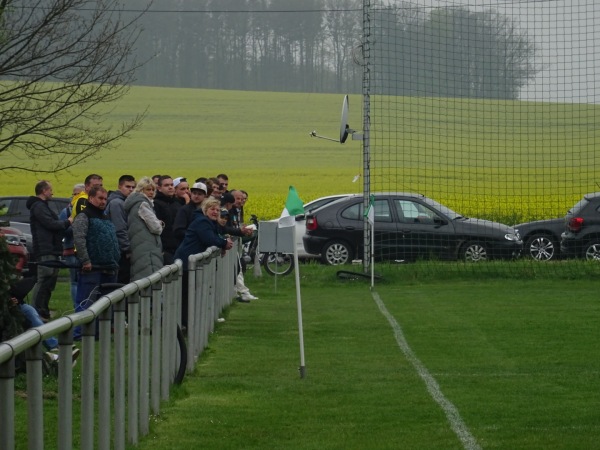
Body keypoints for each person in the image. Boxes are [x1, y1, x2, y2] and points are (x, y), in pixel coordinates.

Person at [174, 198, 233, 326]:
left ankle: (187, 322)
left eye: (217, 210)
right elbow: (209, 239)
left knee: (190, 294)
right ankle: (185, 323)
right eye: (212, 209)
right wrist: (224, 243)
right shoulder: (202, 222)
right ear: (205, 210)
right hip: (186, 262)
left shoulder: (208, 222)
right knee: (186, 295)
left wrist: (223, 243)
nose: (215, 212)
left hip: (190, 262)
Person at [72, 186, 120, 340]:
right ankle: (79, 333)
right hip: (92, 268)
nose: (103, 202)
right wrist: (85, 260)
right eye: (100, 198)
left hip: (109, 267)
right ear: (91, 198)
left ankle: (99, 332)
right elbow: (79, 239)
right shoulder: (83, 216)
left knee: (105, 304)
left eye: (105, 199)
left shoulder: (104, 216)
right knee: (86, 302)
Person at [26, 180, 73, 321]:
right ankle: (34, 312)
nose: (52, 192)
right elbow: (50, 224)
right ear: (44, 191)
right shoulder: (38, 207)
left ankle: (42, 310)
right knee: (44, 278)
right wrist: (68, 222)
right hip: (45, 249)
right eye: (50, 190)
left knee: (50, 282)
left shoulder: (43, 206)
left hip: (52, 249)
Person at [124, 177, 164, 281]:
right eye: (148, 189)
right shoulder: (143, 204)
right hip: (147, 249)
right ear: (141, 190)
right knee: (150, 278)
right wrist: (161, 223)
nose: (151, 192)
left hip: (140, 246)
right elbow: (156, 228)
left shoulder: (134, 203)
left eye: (152, 190)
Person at [59, 183, 86, 304]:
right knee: (75, 281)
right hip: (71, 250)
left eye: (78, 194)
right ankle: (77, 306)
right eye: (74, 194)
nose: (75, 196)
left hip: (79, 249)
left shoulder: (70, 209)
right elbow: (62, 229)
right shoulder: (67, 211)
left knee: (80, 280)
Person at [107, 175, 136, 284]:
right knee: (121, 281)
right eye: (127, 186)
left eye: (133, 187)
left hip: (121, 249)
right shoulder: (117, 203)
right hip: (121, 251)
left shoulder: (125, 201)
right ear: (119, 186)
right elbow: (120, 228)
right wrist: (127, 249)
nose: (131, 190)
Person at [153, 175, 179, 265]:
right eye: (166, 185)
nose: (170, 187)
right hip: (164, 249)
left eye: (172, 185)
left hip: (177, 247)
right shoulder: (156, 204)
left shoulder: (177, 203)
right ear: (159, 188)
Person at [173, 182, 207, 247]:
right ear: (191, 194)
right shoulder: (184, 210)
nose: (196, 196)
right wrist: (196, 235)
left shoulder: (207, 210)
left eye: (199, 194)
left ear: (205, 196)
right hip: (187, 246)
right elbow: (178, 231)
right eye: (194, 193)